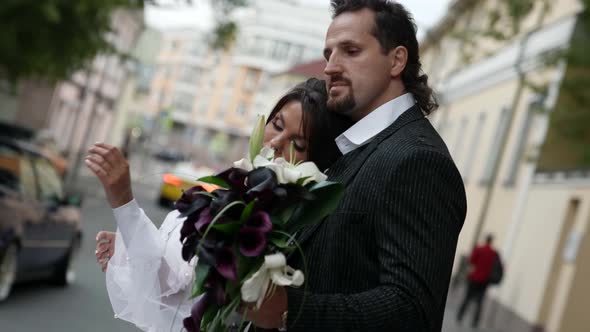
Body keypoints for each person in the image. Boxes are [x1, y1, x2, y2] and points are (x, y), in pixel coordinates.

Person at [245, 1, 467, 331]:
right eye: (328, 54)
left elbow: (413, 309)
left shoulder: (417, 160)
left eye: (350, 51)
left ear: (396, 60)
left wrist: (290, 310)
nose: (331, 67)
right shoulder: (356, 146)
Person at [87, 78, 353, 332]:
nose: (275, 143)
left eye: (298, 143)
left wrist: (124, 203)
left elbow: (179, 286)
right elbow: (175, 284)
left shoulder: (288, 226)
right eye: (277, 124)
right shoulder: (236, 194)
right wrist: (128, 247)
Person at [457, 234, 500, 328]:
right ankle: (475, 322)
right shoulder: (494, 253)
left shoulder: (479, 249)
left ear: (486, 239)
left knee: (467, 298)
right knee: (480, 302)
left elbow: (471, 261)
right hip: (485, 281)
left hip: (474, 278)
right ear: (491, 241)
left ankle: (460, 316)